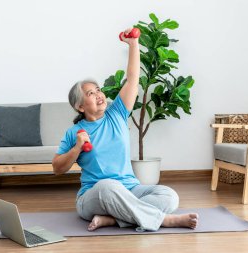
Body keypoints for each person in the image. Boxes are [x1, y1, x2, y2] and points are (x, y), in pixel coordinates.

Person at [52, 28, 198, 232]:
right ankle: (164, 220)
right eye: (90, 93)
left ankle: (112, 220)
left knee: (169, 196)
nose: (99, 95)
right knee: (107, 185)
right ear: (80, 106)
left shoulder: (117, 114)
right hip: (93, 196)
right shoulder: (74, 132)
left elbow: (132, 79)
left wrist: (133, 44)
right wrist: (76, 148)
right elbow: (57, 168)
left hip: (131, 189)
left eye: (98, 90)